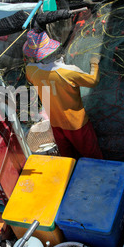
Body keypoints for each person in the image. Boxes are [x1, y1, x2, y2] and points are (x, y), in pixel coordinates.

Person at [24, 29, 103, 159]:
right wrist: (94, 63)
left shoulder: (30, 70)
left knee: (67, 157)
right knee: (92, 155)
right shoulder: (69, 72)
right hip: (76, 124)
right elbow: (93, 81)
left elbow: (35, 74)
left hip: (55, 123)